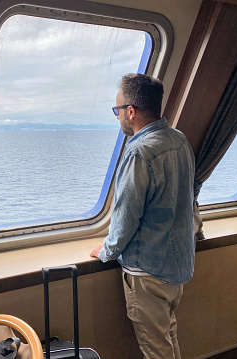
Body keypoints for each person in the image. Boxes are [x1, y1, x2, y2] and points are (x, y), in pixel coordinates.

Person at [90, 73, 195, 359]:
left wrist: (106, 251)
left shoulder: (138, 152)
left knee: (157, 351)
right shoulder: (179, 140)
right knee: (169, 339)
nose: (118, 117)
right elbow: (189, 197)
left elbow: (125, 217)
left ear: (131, 111)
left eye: (117, 111)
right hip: (178, 266)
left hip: (148, 272)